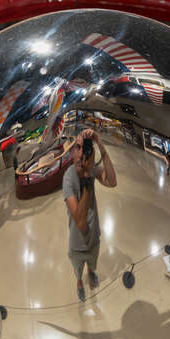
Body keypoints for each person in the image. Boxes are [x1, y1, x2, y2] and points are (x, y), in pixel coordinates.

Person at [62, 128, 117, 302]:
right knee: (78, 271)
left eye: (85, 148)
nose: (80, 153)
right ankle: (79, 283)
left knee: (92, 265)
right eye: (77, 147)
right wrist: (86, 177)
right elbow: (80, 222)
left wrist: (100, 144)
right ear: (72, 152)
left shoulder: (92, 169)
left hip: (94, 239)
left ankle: (91, 273)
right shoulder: (68, 179)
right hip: (77, 244)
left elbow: (112, 181)